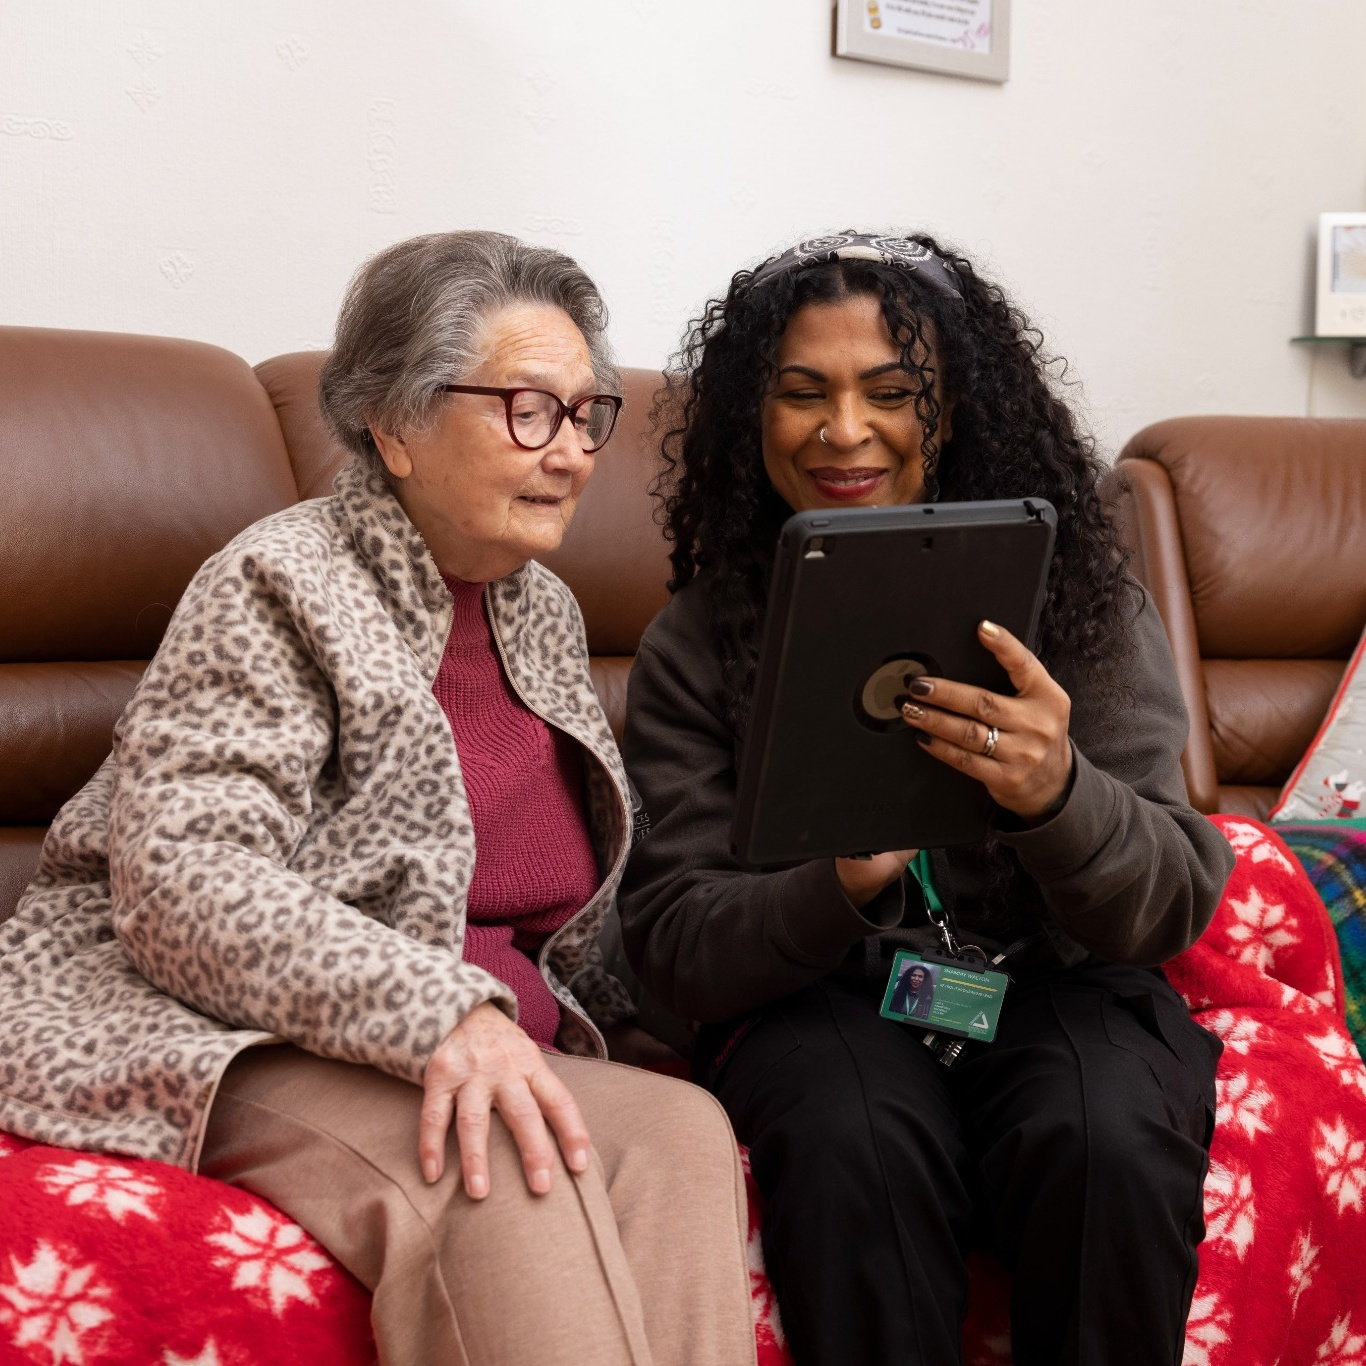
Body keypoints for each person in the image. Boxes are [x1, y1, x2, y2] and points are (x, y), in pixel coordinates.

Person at [0, 231, 756, 1366]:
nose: (570, 452)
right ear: (393, 424)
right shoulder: (279, 581)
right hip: (225, 1024)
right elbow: (182, 884)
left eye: (585, 411)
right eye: (525, 409)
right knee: (502, 1163)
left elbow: (579, 919)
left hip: (457, 1043)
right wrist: (443, 1011)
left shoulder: (540, 609)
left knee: (681, 1133)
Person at [617, 232, 1236, 1366]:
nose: (842, 430)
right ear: (752, 421)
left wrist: (1058, 796)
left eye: (890, 393)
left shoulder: (1085, 605)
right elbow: (672, 946)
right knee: (849, 1127)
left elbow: (1170, 906)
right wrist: (833, 885)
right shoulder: (696, 643)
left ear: (949, 412)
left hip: (1060, 984)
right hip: (824, 1005)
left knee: (1103, 1132)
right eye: (800, 393)